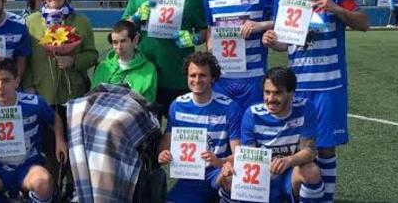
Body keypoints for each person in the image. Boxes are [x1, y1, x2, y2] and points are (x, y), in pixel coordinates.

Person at [262, 0, 370, 203]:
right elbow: (285, 43)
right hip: (296, 86)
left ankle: (326, 199)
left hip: (329, 84)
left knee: (325, 148)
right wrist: (272, 41)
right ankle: (307, 194)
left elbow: (364, 23)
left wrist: (335, 8)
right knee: (300, 148)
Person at [23, 0, 97, 196]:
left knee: (75, 151)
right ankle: (50, 191)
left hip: (73, 97)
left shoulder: (81, 21)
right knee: (47, 150)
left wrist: (73, 60)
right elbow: (23, 59)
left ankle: (73, 190)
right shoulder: (31, 22)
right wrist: (29, 87)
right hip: (42, 96)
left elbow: (93, 55)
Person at [123, 0, 207, 117]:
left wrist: (194, 38)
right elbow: (123, 30)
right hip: (144, 76)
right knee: (146, 137)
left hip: (179, 77)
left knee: (177, 134)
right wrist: (136, 18)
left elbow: (205, 31)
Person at [217, 67, 325, 203]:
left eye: (277, 93)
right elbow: (247, 157)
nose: (270, 99)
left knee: (311, 171)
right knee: (229, 178)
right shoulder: (252, 114)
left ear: (291, 93)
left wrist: (287, 161)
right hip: (262, 177)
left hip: (289, 176)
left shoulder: (305, 108)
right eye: (267, 92)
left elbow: (309, 151)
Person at [0, 58, 67, 203]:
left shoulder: (34, 103)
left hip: (28, 164)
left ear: (17, 81)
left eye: (6, 80)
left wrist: (60, 139)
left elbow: (54, 118)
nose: (0, 87)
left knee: (43, 184)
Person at [157, 52, 241, 203]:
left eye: (202, 75)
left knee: (230, 182)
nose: (197, 80)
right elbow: (166, 142)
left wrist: (219, 162)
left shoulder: (230, 107)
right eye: (192, 75)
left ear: (213, 78)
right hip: (191, 178)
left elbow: (239, 154)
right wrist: (163, 154)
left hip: (219, 173)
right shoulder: (178, 105)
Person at [204, 0, 275, 112]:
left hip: (253, 78)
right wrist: (210, 45)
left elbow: (282, 23)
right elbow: (210, 31)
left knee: (251, 132)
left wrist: (260, 25)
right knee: (223, 133)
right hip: (222, 78)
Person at [90, 20, 157, 103]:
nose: (119, 47)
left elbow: (148, 103)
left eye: (123, 41)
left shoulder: (148, 69)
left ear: (135, 40)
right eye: (115, 42)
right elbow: (93, 98)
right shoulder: (103, 67)